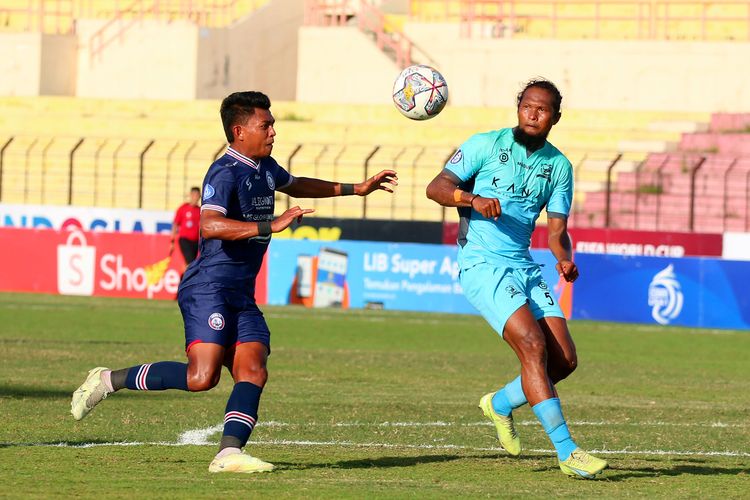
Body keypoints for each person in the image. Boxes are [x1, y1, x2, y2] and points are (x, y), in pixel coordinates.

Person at [71, 91, 398, 474]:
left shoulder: (265, 167)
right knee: (201, 377)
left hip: (241, 293)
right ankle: (110, 379)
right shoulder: (224, 172)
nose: (274, 131)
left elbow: (296, 183)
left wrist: (355, 189)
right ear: (239, 131)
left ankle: (228, 454)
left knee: (253, 369)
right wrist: (269, 225)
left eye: (273, 123)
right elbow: (209, 224)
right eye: (267, 124)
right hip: (208, 287)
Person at [425, 78, 607, 479]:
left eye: (542, 110)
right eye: (527, 106)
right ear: (518, 107)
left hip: (524, 265)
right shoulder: (484, 145)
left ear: (555, 117)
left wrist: (564, 259)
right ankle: (567, 451)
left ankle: (502, 404)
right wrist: (472, 199)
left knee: (565, 360)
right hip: (482, 263)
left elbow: (558, 231)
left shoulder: (559, 167)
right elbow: (436, 188)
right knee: (532, 345)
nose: (532, 114)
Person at [170, 187, 201, 266]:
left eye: (197, 195)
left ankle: (184, 277)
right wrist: (172, 241)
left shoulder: (200, 210)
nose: (195, 197)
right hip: (185, 240)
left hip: (196, 242)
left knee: (192, 263)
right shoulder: (183, 208)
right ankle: (187, 277)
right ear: (191, 195)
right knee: (190, 262)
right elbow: (175, 224)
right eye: (194, 195)